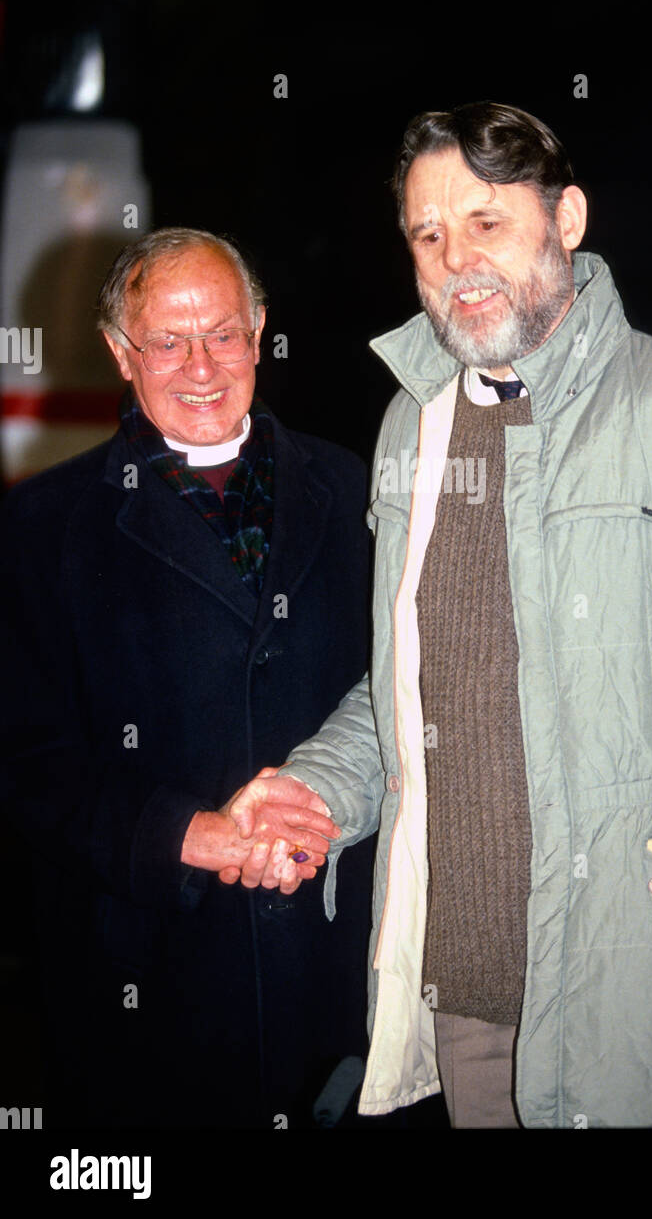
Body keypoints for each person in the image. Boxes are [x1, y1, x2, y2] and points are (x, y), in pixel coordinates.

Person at [225, 104, 652, 1128]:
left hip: (638, 978)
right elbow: (416, 683)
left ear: (567, 219)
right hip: (468, 983)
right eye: (427, 235)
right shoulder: (411, 427)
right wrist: (313, 790)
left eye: (486, 222)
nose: (455, 259)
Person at [0, 227, 373, 1128]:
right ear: (120, 356)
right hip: (145, 987)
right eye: (166, 341)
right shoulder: (41, 527)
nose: (200, 365)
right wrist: (183, 834)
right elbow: (24, 762)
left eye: (223, 334)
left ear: (260, 332)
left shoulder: (358, 486)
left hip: (336, 976)